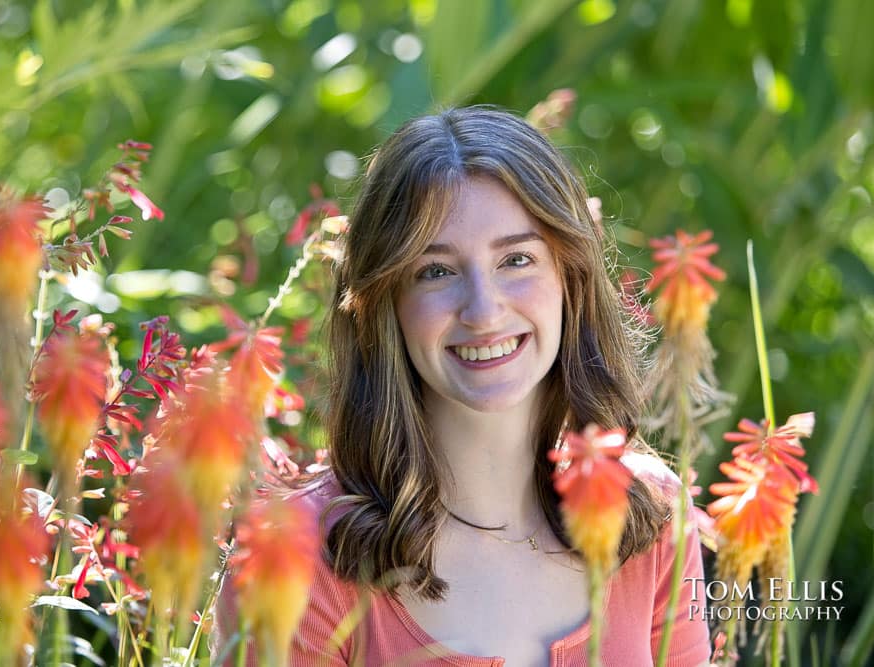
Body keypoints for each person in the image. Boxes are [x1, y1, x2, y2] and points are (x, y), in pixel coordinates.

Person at [214, 106, 712, 666]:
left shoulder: (649, 517)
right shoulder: (299, 558)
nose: (483, 311)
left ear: (570, 278)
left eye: (516, 260)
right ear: (384, 304)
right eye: (436, 271)